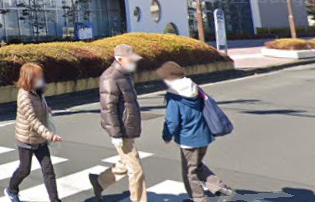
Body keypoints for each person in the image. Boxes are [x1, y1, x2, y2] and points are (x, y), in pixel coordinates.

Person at [157, 61, 235, 202]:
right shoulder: (194, 88)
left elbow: (172, 121)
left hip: (188, 139)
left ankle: (198, 198)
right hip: (204, 134)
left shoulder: (174, 96)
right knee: (197, 166)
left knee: (189, 172)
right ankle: (222, 190)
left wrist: (166, 136)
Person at [90, 43, 147, 202]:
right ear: (120, 59)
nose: (134, 62)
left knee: (126, 162)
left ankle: (100, 181)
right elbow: (108, 108)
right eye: (131, 59)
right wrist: (115, 134)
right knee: (136, 170)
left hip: (127, 126)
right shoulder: (110, 77)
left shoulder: (125, 75)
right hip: (120, 129)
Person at [5, 62, 63, 202]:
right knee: (24, 170)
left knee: (48, 170)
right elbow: (32, 120)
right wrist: (49, 135)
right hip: (27, 139)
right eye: (39, 77)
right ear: (29, 78)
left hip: (40, 139)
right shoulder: (24, 96)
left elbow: (40, 106)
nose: (42, 79)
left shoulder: (38, 91)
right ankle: (11, 189)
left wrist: (46, 110)